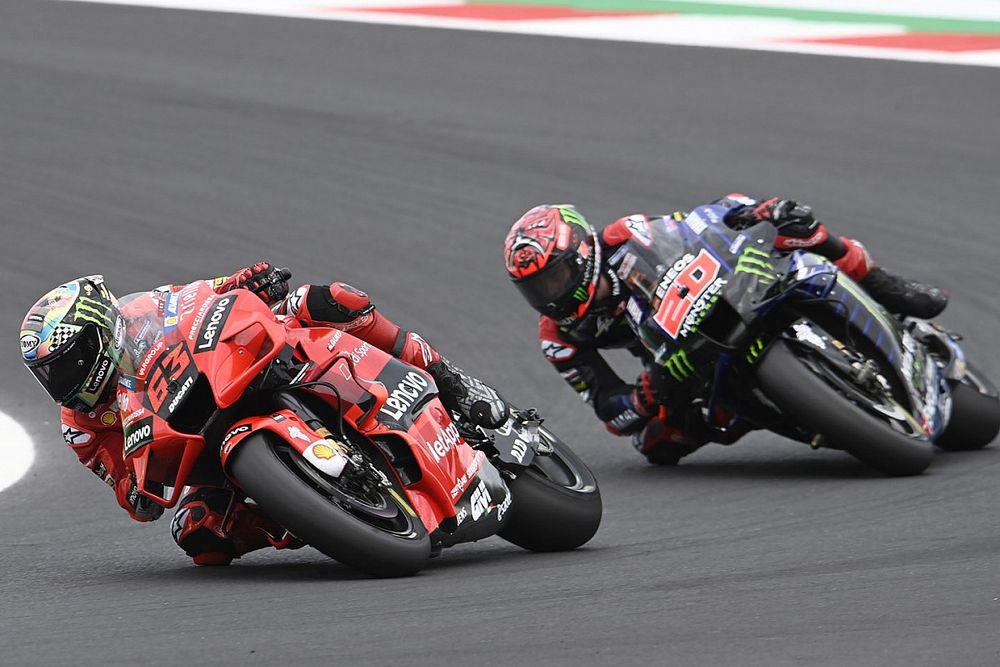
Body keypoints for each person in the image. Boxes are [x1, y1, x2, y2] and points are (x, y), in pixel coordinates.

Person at [19, 263, 508, 565]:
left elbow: (206, 291)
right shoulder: (79, 427)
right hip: (199, 446)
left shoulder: (146, 308)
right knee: (198, 536)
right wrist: (138, 490)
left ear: (102, 333)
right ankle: (301, 515)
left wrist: (250, 280)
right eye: (51, 375)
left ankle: (452, 380)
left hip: (246, 365)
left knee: (332, 300)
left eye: (70, 363)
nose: (63, 383)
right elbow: (130, 492)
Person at [503, 194, 948, 465]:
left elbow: (704, 219)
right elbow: (611, 412)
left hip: (716, 295)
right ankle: (804, 412)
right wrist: (645, 393)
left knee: (802, 241)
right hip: (672, 361)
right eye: (534, 289)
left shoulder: (626, 235)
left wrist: (757, 211)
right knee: (657, 445)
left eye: (554, 279)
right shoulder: (558, 337)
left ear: (582, 253)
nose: (549, 296)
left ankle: (891, 290)